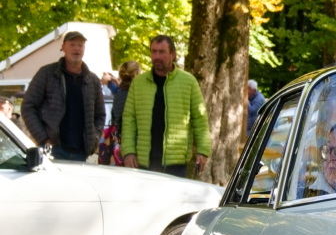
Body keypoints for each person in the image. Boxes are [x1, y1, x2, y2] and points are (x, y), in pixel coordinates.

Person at [122, 35, 211, 176]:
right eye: (154, 51)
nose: (157, 56)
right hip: (143, 161)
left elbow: (200, 118)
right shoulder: (138, 83)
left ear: (172, 54)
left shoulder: (189, 82)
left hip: (176, 163)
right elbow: (129, 119)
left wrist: (203, 150)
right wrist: (128, 151)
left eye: (162, 52)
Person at [20, 31, 106, 161]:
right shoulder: (47, 73)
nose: (76, 48)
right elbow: (28, 106)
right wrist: (43, 138)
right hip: (52, 149)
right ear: (63, 47)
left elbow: (100, 115)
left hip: (82, 152)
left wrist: (94, 137)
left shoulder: (92, 80)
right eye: (72, 44)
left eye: (80, 45)